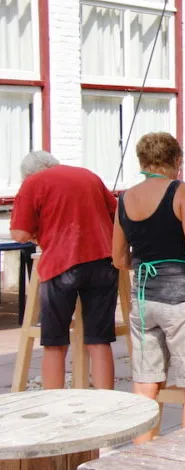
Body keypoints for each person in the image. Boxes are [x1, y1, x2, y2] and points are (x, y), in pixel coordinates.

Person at [111, 132, 185, 443]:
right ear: (177, 160)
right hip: (182, 299)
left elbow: (119, 258)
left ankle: (141, 460)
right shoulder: (182, 191)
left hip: (144, 300)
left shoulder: (124, 199)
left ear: (142, 161)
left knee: (146, 385)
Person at [10, 151, 119, 390]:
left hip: (61, 264)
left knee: (55, 342)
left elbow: (20, 234)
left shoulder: (33, 183)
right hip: (103, 261)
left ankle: (55, 402)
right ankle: (107, 402)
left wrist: (39, 231)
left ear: (28, 174)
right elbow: (117, 213)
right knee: (99, 340)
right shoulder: (88, 176)